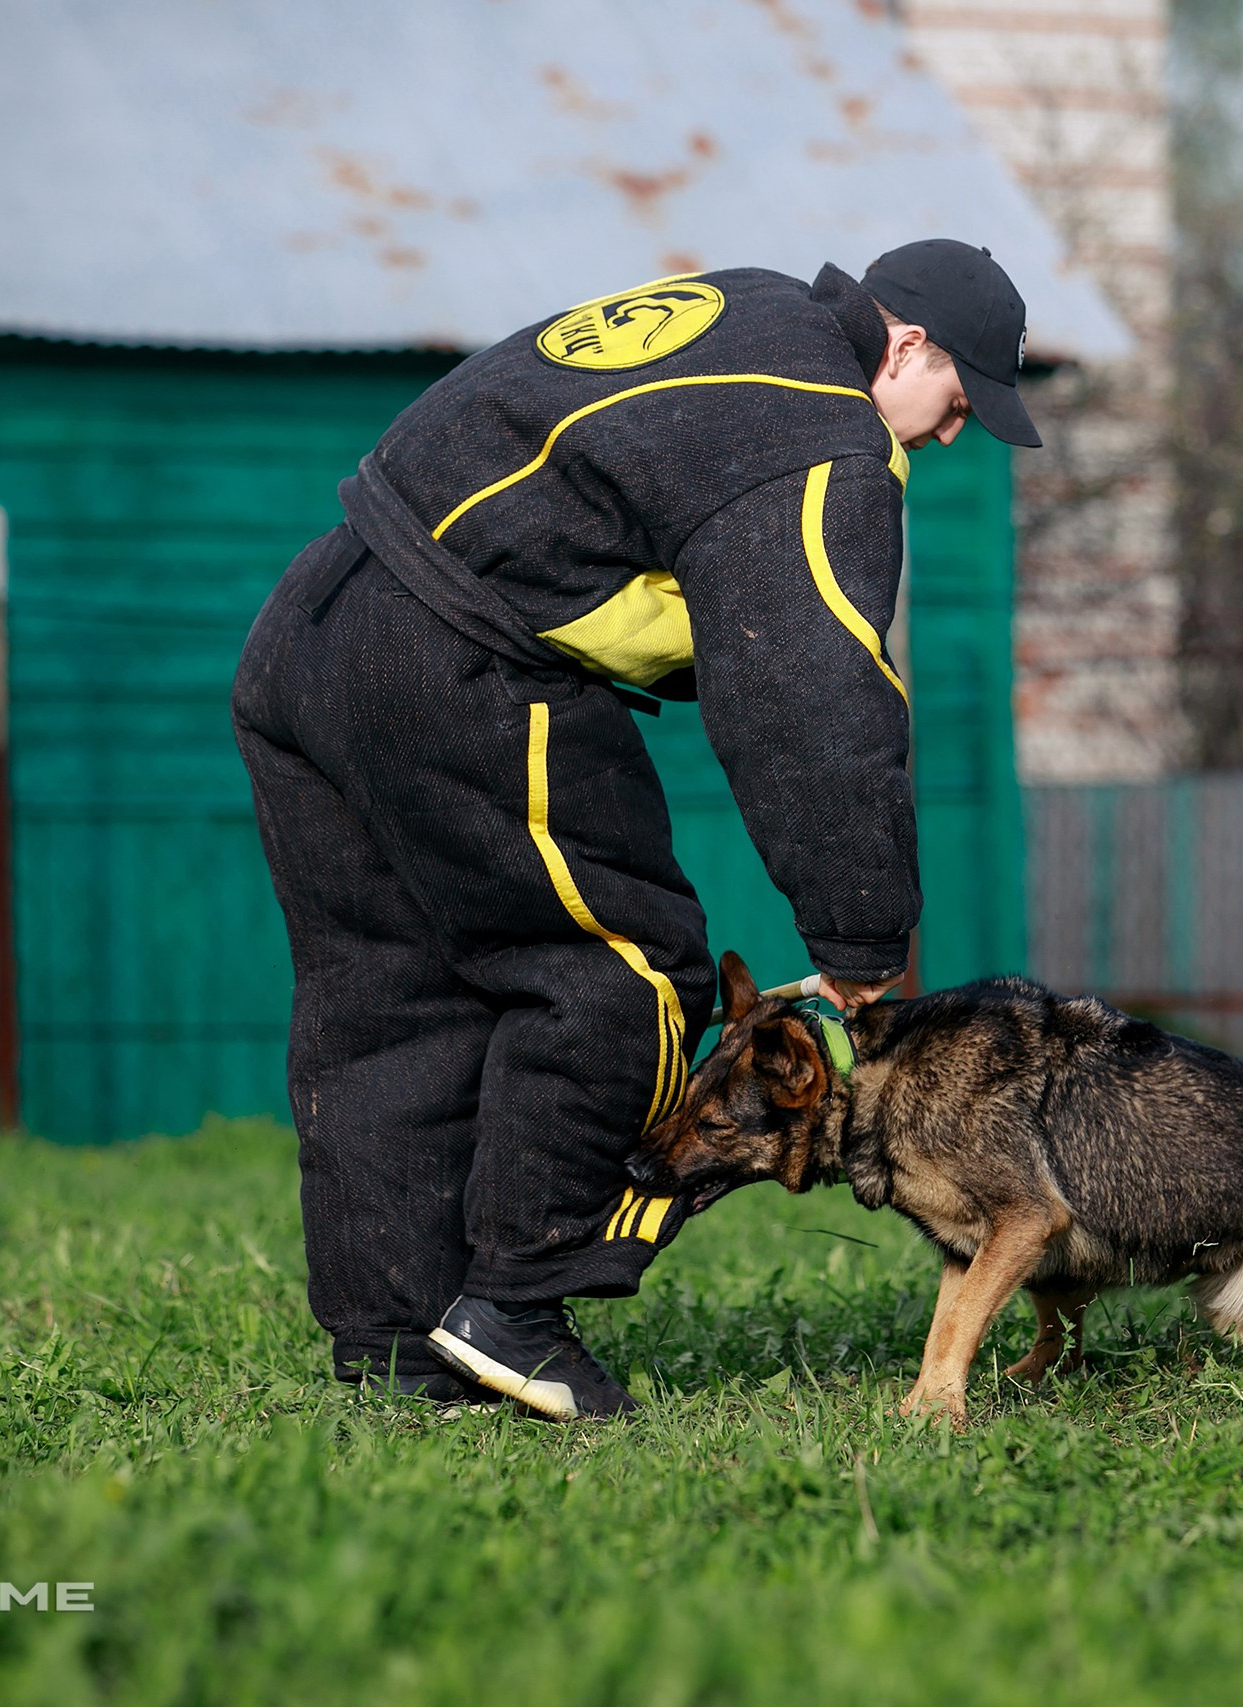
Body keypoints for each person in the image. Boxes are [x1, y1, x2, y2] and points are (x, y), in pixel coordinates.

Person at [230, 240, 1042, 1419]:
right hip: (455, 654)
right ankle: (516, 1302)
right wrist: (864, 943)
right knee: (628, 970)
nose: (951, 435)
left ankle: (400, 1348)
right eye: (958, 403)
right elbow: (808, 690)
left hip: (314, 621)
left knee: (388, 995)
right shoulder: (820, 429)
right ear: (906, 344)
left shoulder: (743, 309)